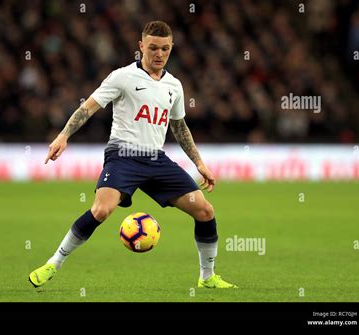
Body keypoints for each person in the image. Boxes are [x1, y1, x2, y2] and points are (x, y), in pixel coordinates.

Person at [29, 21, 237, 289]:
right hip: (123, 156)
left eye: (164, 48)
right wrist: (63, 135)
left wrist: (199, 163)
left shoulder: (174, 85)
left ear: (171, 48)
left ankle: (207, 277)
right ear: (141, 47)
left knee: (205, 211)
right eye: (153, 48)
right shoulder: (122, 77)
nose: (159, 54)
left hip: (156, 159)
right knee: (102, 210)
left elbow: (179, 127)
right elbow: (88, 108)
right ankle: (53, 264)